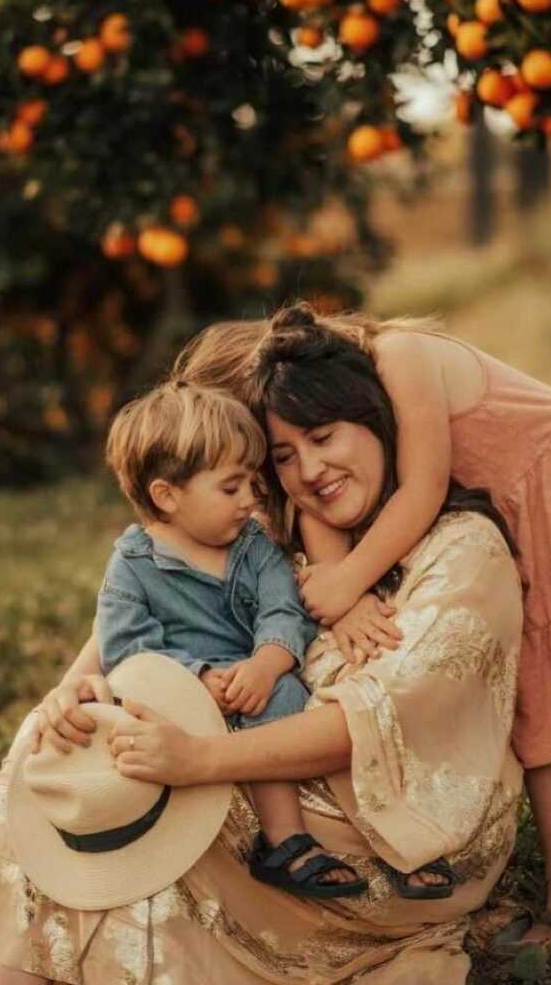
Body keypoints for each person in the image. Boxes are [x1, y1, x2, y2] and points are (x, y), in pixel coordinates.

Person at [0, 329, 525, 984]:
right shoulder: (281, 534)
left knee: (149, 789)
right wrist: (71, 689)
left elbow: (368, 725)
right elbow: (141, 608)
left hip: (399, 844)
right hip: (275, 784)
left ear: (379, 422)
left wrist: (199, 760)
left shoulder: (464, 553)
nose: (309, 471)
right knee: (59, 742)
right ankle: (25, 971)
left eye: (325, 436)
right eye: (284, 455)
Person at [170, 302, 551, 941]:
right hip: (476, 500)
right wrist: (341, 590)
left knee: (546, 685)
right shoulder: (323, 431)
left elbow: (424, 486)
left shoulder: (400, 356)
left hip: (539, 472)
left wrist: (345, 581)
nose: (291, 466)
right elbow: (312, 502)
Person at [95, 379, 368, 899]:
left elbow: (283, 607)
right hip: (179, 699)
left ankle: (286, 841)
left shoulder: (255, 546)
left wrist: (266, 662)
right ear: (166, 495)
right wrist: (197, 678)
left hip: (256, 686)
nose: (249, 500)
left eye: (250, 484)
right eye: (230, 487)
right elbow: (128, 650)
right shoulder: (132, 567)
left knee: (285, 692)